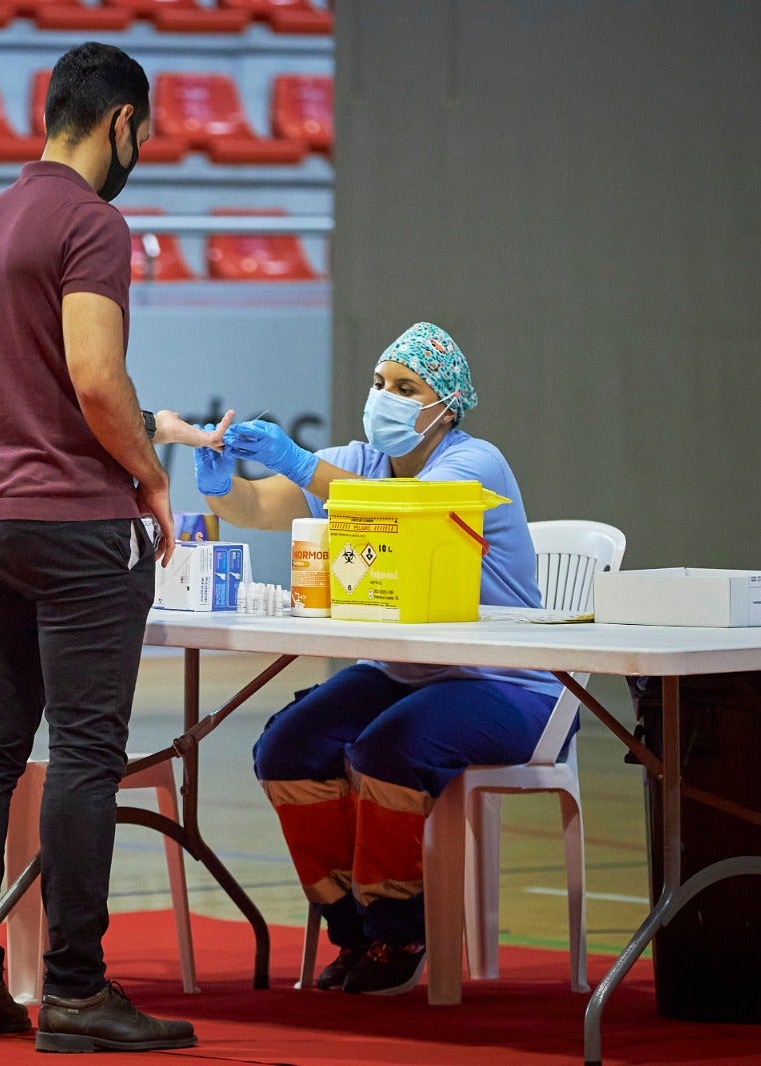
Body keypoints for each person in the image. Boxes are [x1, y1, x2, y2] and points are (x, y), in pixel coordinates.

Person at [0, 41, 198, 1053]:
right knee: (85, 753)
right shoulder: (91, 224)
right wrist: (149, 474)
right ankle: (78, 993)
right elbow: (95, 377)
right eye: (145, 135)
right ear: (120, 122)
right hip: (76, 525)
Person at [193, 322, 564, 995]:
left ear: (444, 407)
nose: (384, 397)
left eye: (405, 388)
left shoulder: (473, 462)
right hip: (410, 671)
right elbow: (258, 507)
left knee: (388, 748)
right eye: (378, 383)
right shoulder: (358, 463)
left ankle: (402, 930)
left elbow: (407, 512)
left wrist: (300, 461)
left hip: (512, 683)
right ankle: (353, 927)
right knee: (287, 746)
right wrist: (222, 486)